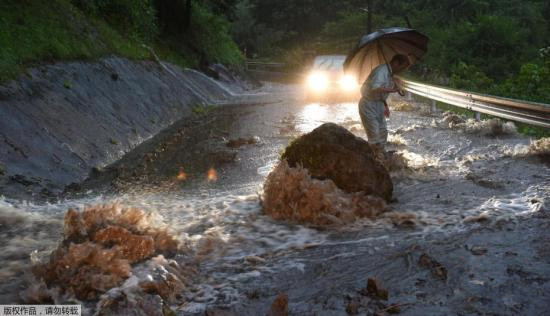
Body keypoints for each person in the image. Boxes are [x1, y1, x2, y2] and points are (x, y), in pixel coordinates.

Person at [358, 54, 410, 159]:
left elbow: (382, 92)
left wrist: (385, 105)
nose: (402, 70)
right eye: (402, 67)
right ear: (396, 63)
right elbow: (375, 88)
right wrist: (393, 90)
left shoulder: (390, 73)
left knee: (383, 131)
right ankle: (374, 158)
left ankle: (380, 155)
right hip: (369, 104)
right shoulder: (381, 71)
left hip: (379, 104)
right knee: (374, 133)